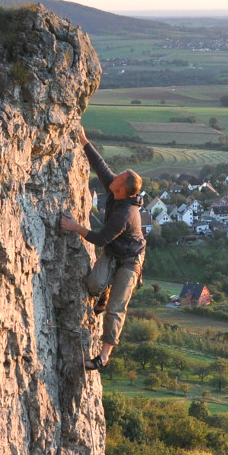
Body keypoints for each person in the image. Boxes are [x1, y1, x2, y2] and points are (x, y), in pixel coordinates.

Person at [60, 126, 146, 371]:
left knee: (117, 307)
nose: (113, 177)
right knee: (94, 285)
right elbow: (101, 166)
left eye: (117, 179)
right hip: (114, 250)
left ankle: (104, 355)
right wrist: (84, 140)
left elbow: (99, 239)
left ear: (121, 190)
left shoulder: (125, 214)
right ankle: (104, 293)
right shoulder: (117, 190)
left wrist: (74, 226)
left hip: (130, 259)